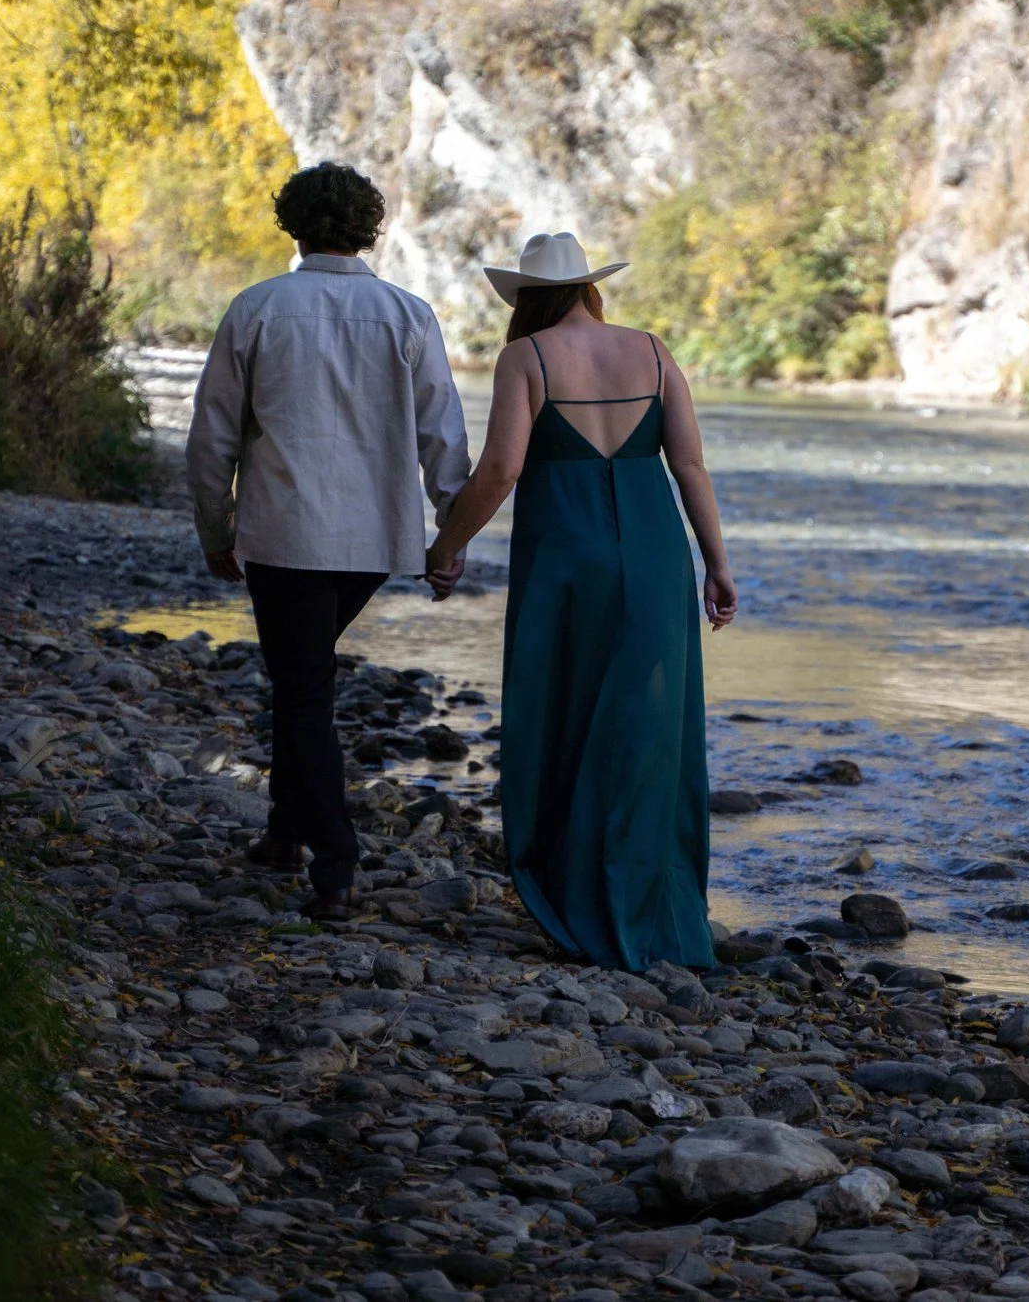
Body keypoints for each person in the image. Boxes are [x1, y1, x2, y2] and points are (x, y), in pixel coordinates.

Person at [425, 232, 738, 971]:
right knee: (650, 729)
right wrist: (717, 564)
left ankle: (579, 906)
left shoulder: (526, 357)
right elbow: (688, 462)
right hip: (658, 556)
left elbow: (501, 470)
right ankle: (653, 911)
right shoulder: (654, 353)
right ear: (592, 288)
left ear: (527, 297)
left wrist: (445, 546)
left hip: (567, 557)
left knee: (563, 715)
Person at [186, 163, 471, 919]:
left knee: (303, 688)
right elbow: (442, 431)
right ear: (369, 227)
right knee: (301, 678)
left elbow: (212, 434)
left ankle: (335, 861)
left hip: (284, 532)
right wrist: (450, 533)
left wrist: (215, 526)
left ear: (293, 223)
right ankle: (284, 831)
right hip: (375, 538)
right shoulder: (408, 313)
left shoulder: (256, 309)